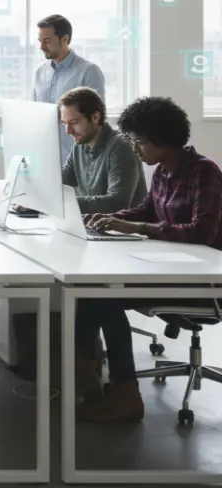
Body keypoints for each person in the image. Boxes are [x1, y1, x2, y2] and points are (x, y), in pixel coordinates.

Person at [75, 97, 222, 422]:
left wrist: (138, 227)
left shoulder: (204, 172)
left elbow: (203, 232)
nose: (136, 148)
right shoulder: (162, 173)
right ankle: (83, 379)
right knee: (86, 292)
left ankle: (126, 397)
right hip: (169, 268)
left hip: (202, 283)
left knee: (105, 299)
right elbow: (146, 209)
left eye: (140, 141)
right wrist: (108, 218)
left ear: (163, 140)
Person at [58, 87, 146, 215]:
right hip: (97, 226)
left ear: (95, 117)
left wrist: (63, 204)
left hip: (126, 230)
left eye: (74, 122)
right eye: (64, 123)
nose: (68, 130)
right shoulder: (79, 145)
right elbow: (62, 179)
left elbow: (117, 203)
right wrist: (34, 199)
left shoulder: (121, 147)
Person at [33, 15, 106, 164]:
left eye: (47, 41)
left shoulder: (88, 71)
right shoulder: (40, 72)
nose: (41, 47)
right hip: (46, 159)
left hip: (80, 162)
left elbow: (98, 121)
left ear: (65, 39)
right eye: (40, 41)